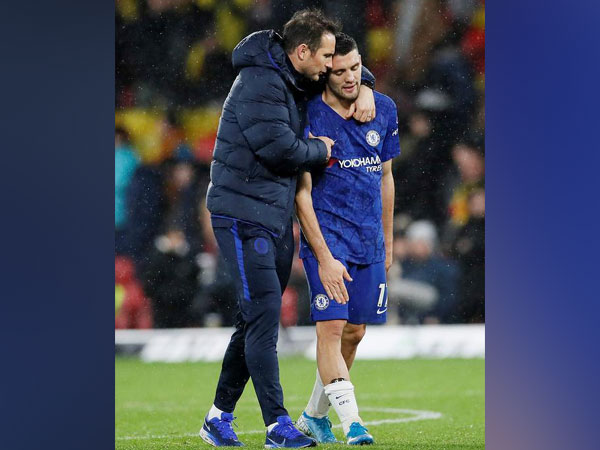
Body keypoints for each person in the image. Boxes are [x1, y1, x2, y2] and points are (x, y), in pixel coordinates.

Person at [200, 10, 377, 448]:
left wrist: (367, 84)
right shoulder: (259, 83)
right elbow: (279, 149)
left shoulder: (297, 74)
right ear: (302, 53)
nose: (330, 65)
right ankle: (278, 425)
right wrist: (319, 149)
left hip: (272, 213)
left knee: (253, 318)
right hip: (241, 214)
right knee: (263, 315)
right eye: (325, 56)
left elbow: (347, 72)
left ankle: (217, 416)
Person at [294, 33, 400, 445]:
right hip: (328, 237)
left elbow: (386, 178)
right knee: (332, 328)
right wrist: (321, 254)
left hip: (368, 239)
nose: (351, 78)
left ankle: (313, 417)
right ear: (325, 73)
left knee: (355, 332)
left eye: (356, 69)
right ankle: (353, 423)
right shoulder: (308, 115)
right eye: (340, 71)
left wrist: (387, 242)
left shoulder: (384, 109)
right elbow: (301, 190)